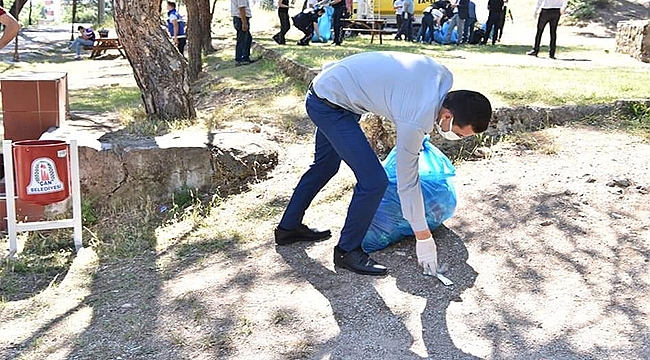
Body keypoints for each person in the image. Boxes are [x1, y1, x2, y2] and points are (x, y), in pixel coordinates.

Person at [274, 51, 492, 276]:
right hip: (329, 105)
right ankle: (346, 251)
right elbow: (407, 181)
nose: (457, 137)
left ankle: (287, 229)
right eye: (459, 133)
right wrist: (423, 236)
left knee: (325, 167)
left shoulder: (440, 79)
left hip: (333, 91)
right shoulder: (416, 115)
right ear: (447, 116)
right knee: (374, 181)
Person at [231, 0, 255, 65]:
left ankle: (245, 57)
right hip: (241, 18)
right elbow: (241, 8)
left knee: (248, 38)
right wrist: (244, 22)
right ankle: (240, 58)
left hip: (239, 18)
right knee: (242, 39)